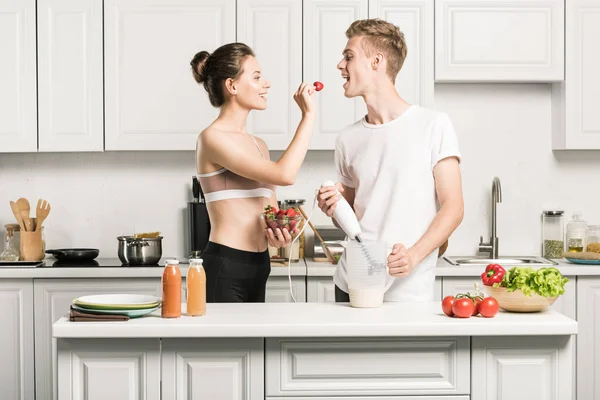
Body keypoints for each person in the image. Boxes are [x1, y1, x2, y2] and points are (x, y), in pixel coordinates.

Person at [318, 19, 464, 302]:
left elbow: (454, 207)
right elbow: (353, 217)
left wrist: (412, 256)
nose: (340, 65)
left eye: (349, 57)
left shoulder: (433, 125)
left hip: (407, 287)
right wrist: (333, 207)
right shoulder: (347, 139)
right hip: (353, 283)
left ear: (376, 61)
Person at [191, 42, 317, 303]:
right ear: (232, 86)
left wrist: (278, 234)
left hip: (260, 266)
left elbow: (268, 214)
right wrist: (308, 116)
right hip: (225, 265)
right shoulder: (212, 138)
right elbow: (285, 175)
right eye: (257, 77)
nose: (266, 84)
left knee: (252, 345)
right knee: (231, 346)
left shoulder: (260, 146)